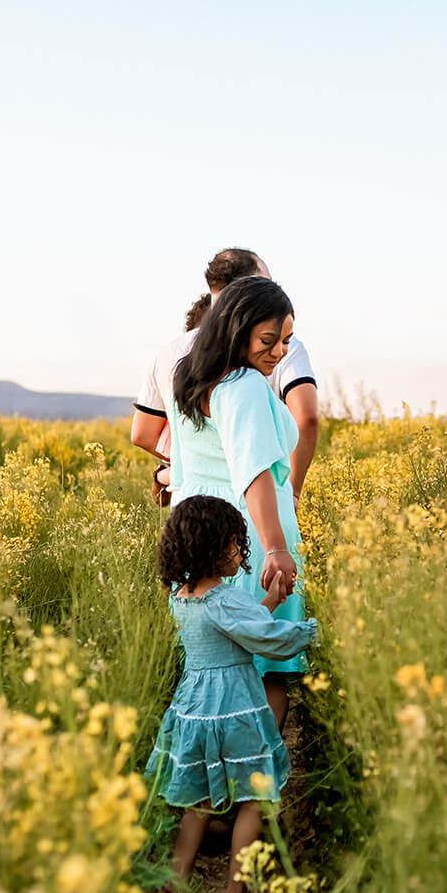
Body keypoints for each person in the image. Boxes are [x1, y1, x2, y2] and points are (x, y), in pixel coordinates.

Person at [145, 495, 317, 893]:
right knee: (255, 798)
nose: (241, 551)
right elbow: (266, 638)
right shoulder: (224, 599)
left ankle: (172, 887)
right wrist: (313, 630)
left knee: (198, 805)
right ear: (212, 548)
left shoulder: (183, 595)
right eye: (235, 544)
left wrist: (270, 603)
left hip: (195, 708)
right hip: (236, 710)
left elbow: (236, 630)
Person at [169, 275, 308, 732]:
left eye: (286, 340)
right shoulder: (245, 383)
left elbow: (183, 467)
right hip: (249, 540)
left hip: (202, 538)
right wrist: (274, 548)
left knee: (213, 670)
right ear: (236, 327)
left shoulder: (192, 375)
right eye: (268, 340)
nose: (280, 352)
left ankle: (213, 778)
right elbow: (255, 471)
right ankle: (258, 783)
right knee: (267, 672)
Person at [131, 248, 319, 508]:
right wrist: (293, 494)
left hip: (190, 502)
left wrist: (179, 470)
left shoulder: (170, 354)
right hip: (255, 503)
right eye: (265, 283)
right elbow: (306, 418)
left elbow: (142, 434)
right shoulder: (280, 344)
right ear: (245, 291)